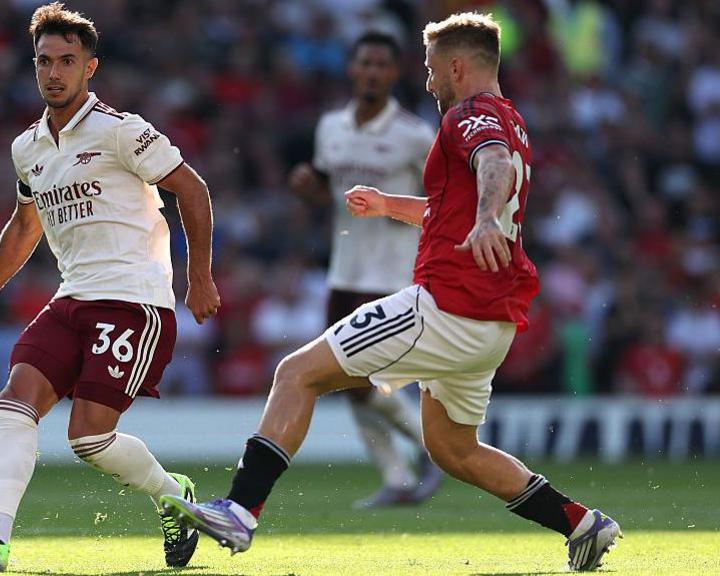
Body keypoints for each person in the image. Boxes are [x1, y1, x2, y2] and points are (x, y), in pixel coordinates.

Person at [163, 12, 621, 572]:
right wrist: (388, 205)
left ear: (456, 66)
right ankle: (582, 524)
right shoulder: (513, 118)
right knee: (454, 450)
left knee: (296, 373)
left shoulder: (470, 114)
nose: (427, 82)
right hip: (490, 322)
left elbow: (492, 165)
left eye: (431, 69)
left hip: (446, 307)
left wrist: (483, 221)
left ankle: (240, 508)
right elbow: (454, 205)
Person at [0, 3, 220, 571]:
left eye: (67, 61)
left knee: (89, 440)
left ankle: (173, 493)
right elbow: (25, 223)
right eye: (44, 62)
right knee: (15, 401)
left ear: (90, 67)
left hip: (133, 301)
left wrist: (198, 275)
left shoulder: (122, 131)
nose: (54, 73)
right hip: (71, 296)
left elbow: (192, 188)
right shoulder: (27, 147)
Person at [288, 31, 441, 508]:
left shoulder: (416, 135)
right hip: (344, 270)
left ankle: (430, 449)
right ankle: (398, 478)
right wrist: (307, 187)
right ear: (353, 69)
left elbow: (443, 201)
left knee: (358, 380)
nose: (373, 72)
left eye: (381, 64)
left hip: (392, 273)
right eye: (365, 63)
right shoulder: (330, 127)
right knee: (345, 381)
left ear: (394, 73)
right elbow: (328, 196)